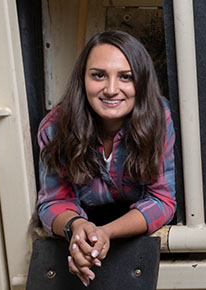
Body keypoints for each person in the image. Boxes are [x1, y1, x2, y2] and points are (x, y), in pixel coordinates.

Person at [36, 30, 176, 286]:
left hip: (130, 227)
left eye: (126, 77)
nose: (111, 90)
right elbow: (53, 201)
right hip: (82, 224)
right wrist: (77, 230)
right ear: (83, 79)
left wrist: (105, 233)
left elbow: (162, 199)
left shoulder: (159, 118)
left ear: (141, 82)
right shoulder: (54, 127)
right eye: (98, 75)